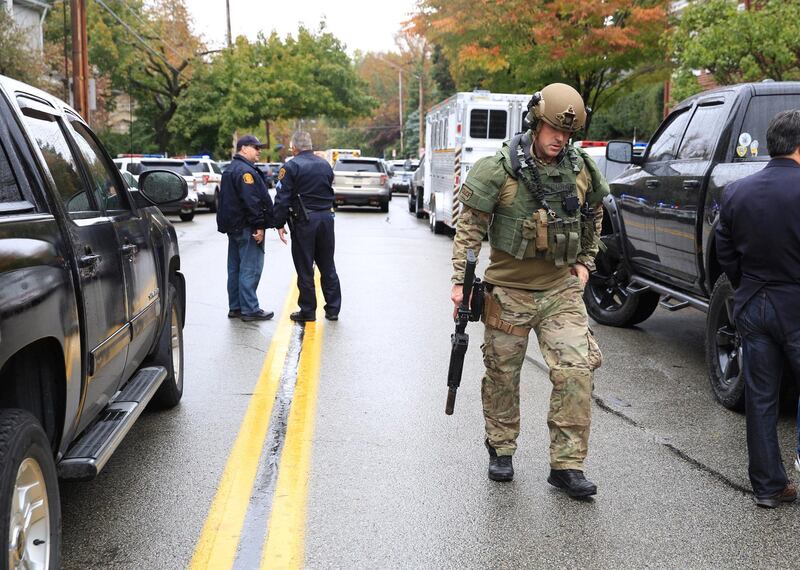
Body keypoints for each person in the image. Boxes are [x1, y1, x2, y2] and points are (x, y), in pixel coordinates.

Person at [450, 83, 607, 498]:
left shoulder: (581, 169)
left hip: (560, 290)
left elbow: (595, 217)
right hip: (508, 292)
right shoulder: (497, 168)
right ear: (535, 123)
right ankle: (501, 450)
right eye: (553, 129)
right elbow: (469, 231)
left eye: (567, 133)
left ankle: (567, 464)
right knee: (503, 374)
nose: (560, 138)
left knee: (576, 371)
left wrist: (585, 262)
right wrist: (459, 285)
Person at [716, 109, 800, 509]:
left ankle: (769, 487)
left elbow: (724, 250)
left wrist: (744, 283)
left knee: (761, 399)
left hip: (752, 302)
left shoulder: (737, 191)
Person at [273, 131, 341, 322]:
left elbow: (282, 198)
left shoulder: (291, 166)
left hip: (305, 222)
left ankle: (308, 311)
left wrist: (278, 223)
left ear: (294, 147)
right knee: (327, 264)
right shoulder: (325, 165)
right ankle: (333, 309)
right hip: (327, 219)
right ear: (310, 146)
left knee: (305, 267)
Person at [217, 134, 275, 322]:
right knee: (251, 268)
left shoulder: (231, 169)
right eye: (255, 147)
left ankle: (236, 307)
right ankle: (250, 309)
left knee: (234, 268)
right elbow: (252, 201)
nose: (259, 151)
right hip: (247, 227)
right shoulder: (245, 172)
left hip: (233, 227)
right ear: (243, 148)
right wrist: (259, 225)